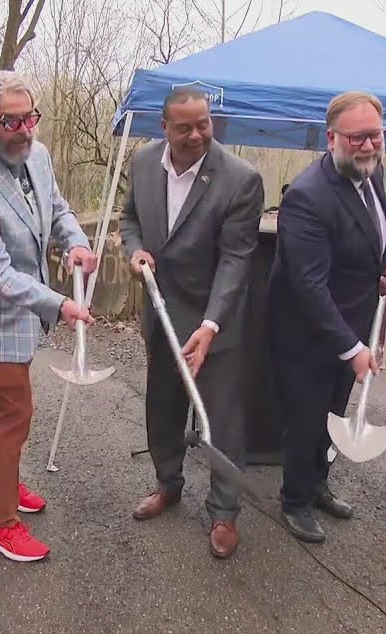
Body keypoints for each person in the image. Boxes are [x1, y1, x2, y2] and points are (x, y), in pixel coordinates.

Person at [0, 69, 96, 562]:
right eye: (11, 122)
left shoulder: (38, 154)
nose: (26, 130)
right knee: (11, 415)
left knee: (7, 411)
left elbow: (57, 207)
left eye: (30, 117)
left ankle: (3, 484)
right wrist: (61, 304)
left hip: (23, 306)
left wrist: (75, 242)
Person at [119, 86, 265, 558]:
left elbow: (236, 261)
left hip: (213, 321)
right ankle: (167, 483)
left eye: (204, 124)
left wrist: (211, 324)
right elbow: (129, 219)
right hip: (161, 313)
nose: (197, 135)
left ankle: (224, 511)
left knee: (220, 418)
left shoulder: (240, 179)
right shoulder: (144, 162)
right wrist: (134, 251)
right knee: (162, 406)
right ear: (164, 127)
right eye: (185, 128)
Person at [266, 90, 386, 543]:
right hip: (307, 333)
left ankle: (318, 484)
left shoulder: (371, 172)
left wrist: (380, 263)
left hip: (351, 323)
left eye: (375, 135)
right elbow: (308, 286)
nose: (368, 145)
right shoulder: (308, 196)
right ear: (332, 138)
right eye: (357, 137)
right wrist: (352, 348)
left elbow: (365, 231)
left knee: (333, 415)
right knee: (306, 421)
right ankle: (295, 501)